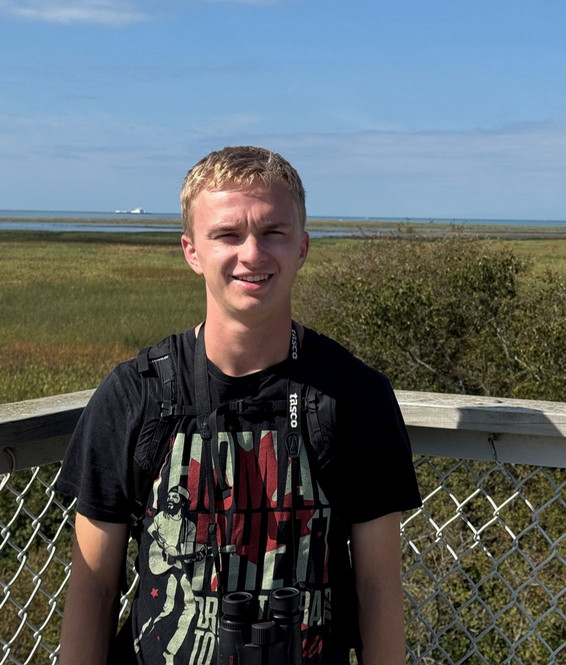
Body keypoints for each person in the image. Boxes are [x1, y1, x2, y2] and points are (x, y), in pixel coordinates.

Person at [56, 146, 421, 665]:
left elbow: (379, 587)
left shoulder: (354, 395)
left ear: (303, 247)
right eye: (227, 235)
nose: (252, 254)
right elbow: (93, 588)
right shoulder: (135, 394)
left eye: (273, 231)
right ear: (191, 252)